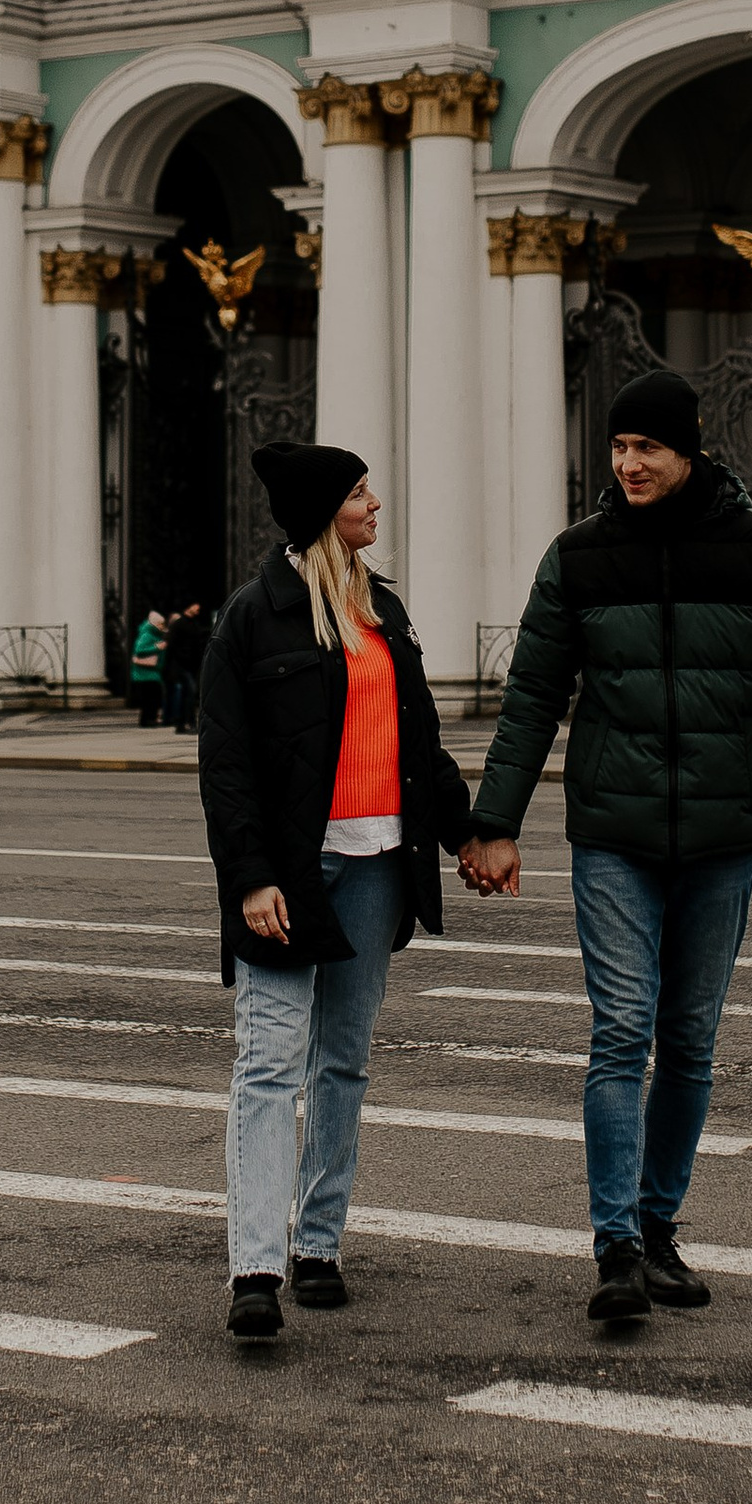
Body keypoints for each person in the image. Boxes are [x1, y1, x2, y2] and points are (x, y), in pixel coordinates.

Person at [465, 369, 752, 1326]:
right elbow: (532, 697)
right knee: (621, 1030)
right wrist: (494, 823)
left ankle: (657, 1228)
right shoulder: (577, 557)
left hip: (720, 832)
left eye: (646, 448)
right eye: (617, 448)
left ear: (687, 450)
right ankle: (614, 1246)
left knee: (689, 1041)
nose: (628, 464)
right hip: (613, 833)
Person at [196, 442, 477, 1344]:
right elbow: (226, 767)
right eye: (359, 494)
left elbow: (420, 745)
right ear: (324, 510)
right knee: (270, 1064)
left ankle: (318, 1246)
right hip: (292, 871)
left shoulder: (381, 610)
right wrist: (249, 879)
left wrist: (471, 833)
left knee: (343, 1061)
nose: (375, 504)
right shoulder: (254, 617)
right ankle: (255, 1267)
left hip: (379, 862)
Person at [162, 598, 208, 734]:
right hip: (181, 665)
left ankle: (183, 722)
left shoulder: (193, 623)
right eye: (196, 606)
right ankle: (188, 722)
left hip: (190, 664)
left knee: (188, 694)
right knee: (190, 692)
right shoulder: (180, 624)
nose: (198, 609)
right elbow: (171, 644)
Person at [128, 604, 169, 730]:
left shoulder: (153, 634)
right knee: (151, 696)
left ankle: (149, 719)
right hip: (145, 673)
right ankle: (147, 719)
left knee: (152, 696)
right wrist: (157, 647)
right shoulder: (147, 634)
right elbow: (139, 650)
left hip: (150, 672)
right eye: (161, 624)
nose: (162, 626)